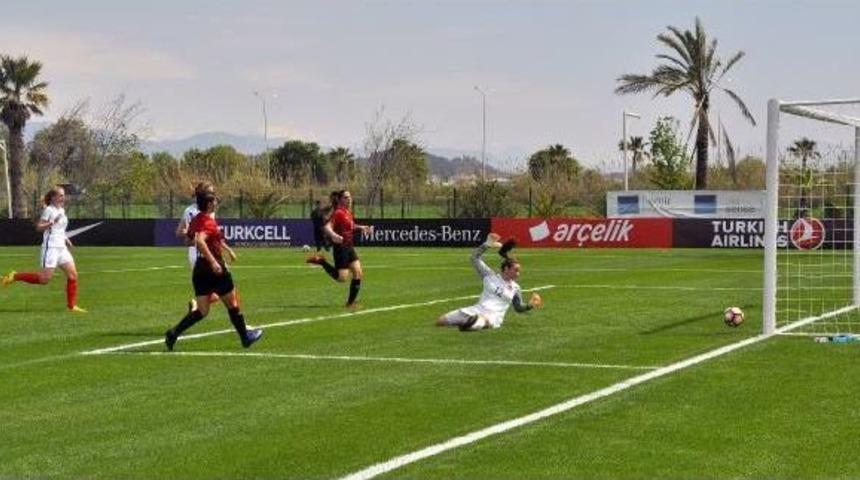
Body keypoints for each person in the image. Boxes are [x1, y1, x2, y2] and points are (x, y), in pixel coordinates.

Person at [165, 189, 263, 350]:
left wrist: (205, 247)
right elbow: (201, 241)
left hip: (199, 270)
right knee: (232, 304)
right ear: (209, 204)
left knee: (202, 311)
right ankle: (245, 337)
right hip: (213, 269)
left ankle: (173, 333)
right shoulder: (208, 222)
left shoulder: (197, 219)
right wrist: (214, 262)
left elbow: (189, 241)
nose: (217, 203)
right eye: (215, 201)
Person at [2, 186, 87, 313]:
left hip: (61, 248)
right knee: (44, 279)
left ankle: (72, 306)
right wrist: (51, 222)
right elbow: (39, 228)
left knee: (73, 275)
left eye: (64, 195)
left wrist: (66, 239)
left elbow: (60, 229)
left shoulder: (62, 211)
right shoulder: (49, 210)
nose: (63, 197)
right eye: (60, 195)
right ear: (53, 197)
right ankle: (15, 276)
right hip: (51, 248)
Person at [436, 234, 542, 331]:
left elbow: (518, 307)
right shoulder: (489, 276)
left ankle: (472, 324)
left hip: (493, 317)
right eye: (516, 270)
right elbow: (474, 258)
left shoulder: (516, 288)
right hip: (476, 309)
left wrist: (531, 305)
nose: (518, 273)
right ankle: (469, 322)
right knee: (441, 321)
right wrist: (486, 244)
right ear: (506, 269)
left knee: (479, 322)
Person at [306, 190, 373, 308]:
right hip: (340, 248)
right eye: (346, 197)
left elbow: (351, 226)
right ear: (341, 200)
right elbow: (327, 227)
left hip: (349, 246)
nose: (349, 199)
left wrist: (361, 227)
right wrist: (334, 235)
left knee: (358, 272)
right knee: (342, 278)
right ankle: (321, 261)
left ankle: (350, 303)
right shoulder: (338, 213)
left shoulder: (347, 212)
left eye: (350, 197)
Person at [176, 181, 221, 311]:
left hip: (193, 253)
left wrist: (188, 233)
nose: (213, 196)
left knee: (214, 292)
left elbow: (179, 232)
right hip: (204, 253)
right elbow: (209, 234)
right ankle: (243, 325)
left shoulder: (188, 210)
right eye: (211, 192)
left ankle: (196, 306)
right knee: (224, 289)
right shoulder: (207, 210)